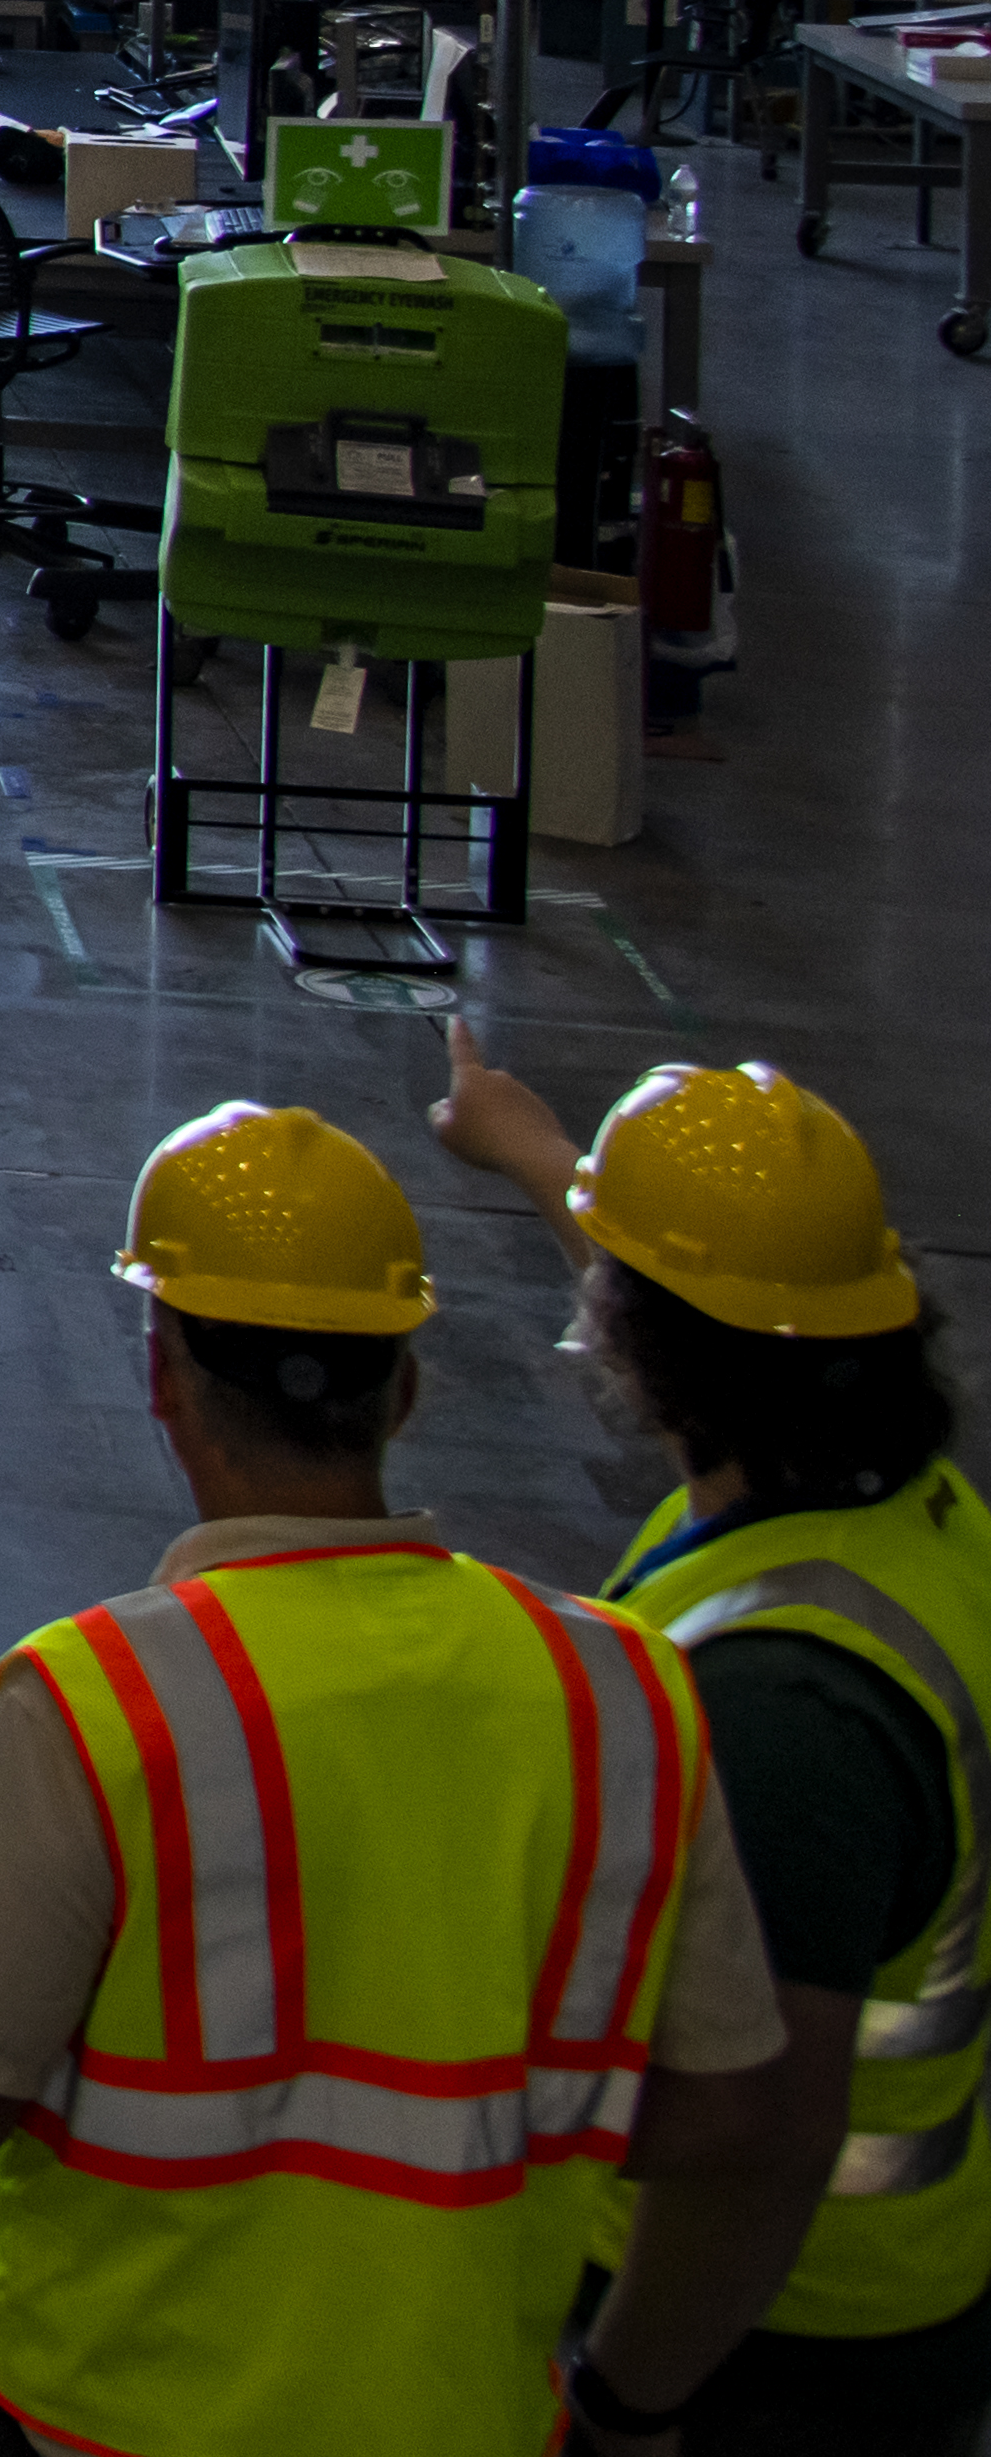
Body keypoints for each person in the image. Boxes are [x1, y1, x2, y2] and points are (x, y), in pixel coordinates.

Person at [0, 1098, 828, 2457]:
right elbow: (729, 2106)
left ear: (162, 1377)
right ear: (405, 1388)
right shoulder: (621, 1690)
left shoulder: (94, 1703)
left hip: (113, 2425)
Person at [432, 1038, 991, 2453]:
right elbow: (725, 1288)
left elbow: (765, 2143)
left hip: (768, 2343)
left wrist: (622, 2406)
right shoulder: (909, 1520)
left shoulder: (782, 1709)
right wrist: (533, 1149)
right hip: (901, 2292)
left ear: (639, 1343)